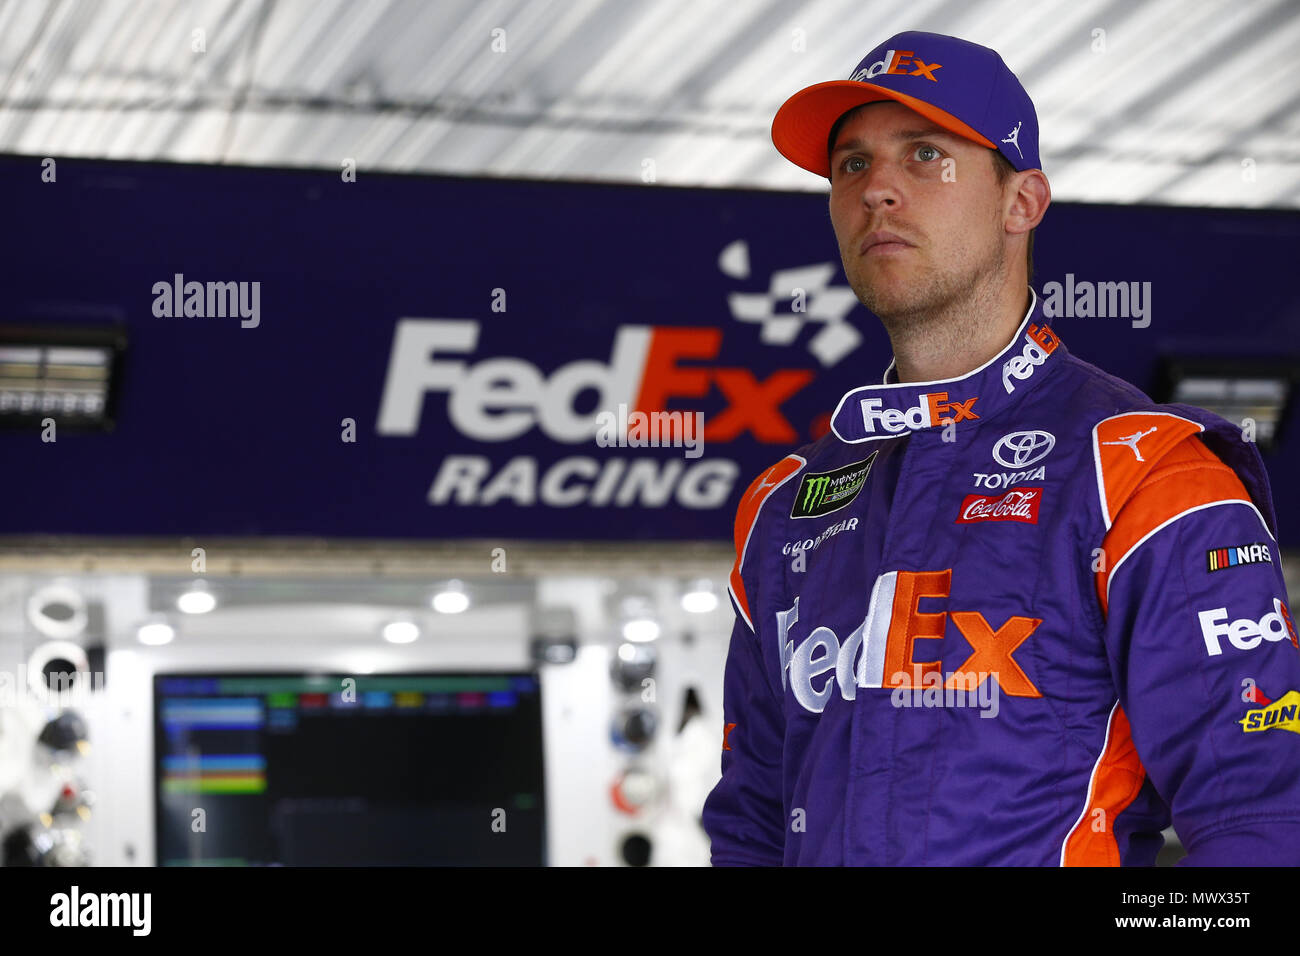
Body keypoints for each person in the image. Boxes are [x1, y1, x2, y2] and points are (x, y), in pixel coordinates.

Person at [701, 31, 1300, 865]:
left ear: (1022, 202)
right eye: (851, 165)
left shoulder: (1142, 474)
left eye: (924, 156)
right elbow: (751, 824)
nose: (877, 189)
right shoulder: (784, 506)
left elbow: (1261, 817)